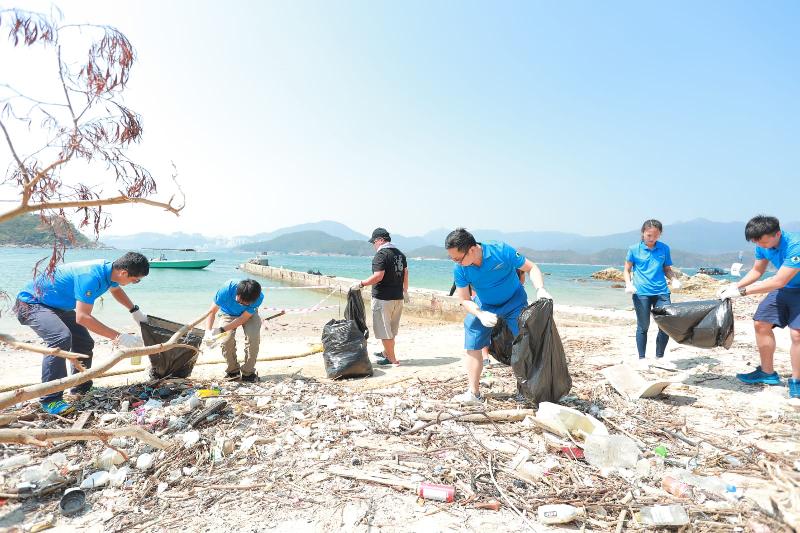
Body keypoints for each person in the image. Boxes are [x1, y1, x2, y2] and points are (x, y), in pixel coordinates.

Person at [14, 252, 150, 415]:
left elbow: (116, 290)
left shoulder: (110, 271)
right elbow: (83, 317)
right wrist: (119, 337)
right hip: (31, 304)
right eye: (136, 280)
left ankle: (80, 388)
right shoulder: (90, 276)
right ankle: (50, 399)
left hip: (56, 306)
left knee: (84, 342)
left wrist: (134, 311)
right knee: (60, 339)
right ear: (124, 273)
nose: (136, 282)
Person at [445, 228, 551, 403]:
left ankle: (528, 391)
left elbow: (531, 268)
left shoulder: (500, 250)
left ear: (472, 249)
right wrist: (479, 314)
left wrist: (540, 289)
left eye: (457, 258)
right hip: (485, 305)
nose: (455, 262)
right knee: (472, 341)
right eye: (452, 258)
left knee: (525, 343)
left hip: (514, 302)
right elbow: (464, 299)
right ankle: (473, 393)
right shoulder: (460, 269)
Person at [717, 216, 800, 399]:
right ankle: (767, 372)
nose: (760, 246)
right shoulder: (762, 244)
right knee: (761, 323)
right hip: (784, 290)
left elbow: (779, 280)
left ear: (777, 233)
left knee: (797, 334)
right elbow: (757, 271)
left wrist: (744, 292)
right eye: (756, 243)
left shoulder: (796, 245)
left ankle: (797, 381)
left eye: (763, 242)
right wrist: (735, 286)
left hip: (792, 288)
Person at [623, 219, 682, 363]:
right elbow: (626, 269)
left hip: (661, 292)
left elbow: (667, 269)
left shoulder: (664, 249)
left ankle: (659, 357)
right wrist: (628, 284)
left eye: (655, 236)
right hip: (641, 293)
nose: (652, 239)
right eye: (649, 235)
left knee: (665, 325)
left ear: (660, 234)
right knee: (643, 326)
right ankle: (642, 359)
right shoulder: (633, 249)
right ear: (643, 233)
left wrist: (674, 279)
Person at [351, 228, 408, 366]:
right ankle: (386, 352)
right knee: (391, 330)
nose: (373, 245)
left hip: (383, 299)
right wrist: (405, 290)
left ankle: (392, 359)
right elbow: (406, 273)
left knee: (384, 331)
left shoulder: (381, 255)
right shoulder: (400, 254)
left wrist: (361, 284)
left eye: (374, 242)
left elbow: (378, 276)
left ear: (380, 240)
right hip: (398, 298)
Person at [204, 279, 265, 382]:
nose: (241, 304)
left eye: (245, 303)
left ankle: (248, 373)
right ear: (237, 292)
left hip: (248, 315)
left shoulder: (258, 297)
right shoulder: (226, 290)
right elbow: (211, 312)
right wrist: (208, 333)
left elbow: (242, 319)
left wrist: (221, 330)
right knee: (226, 340)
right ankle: (233, 371)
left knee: (253, 338)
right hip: (228, 313)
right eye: (239, 301)